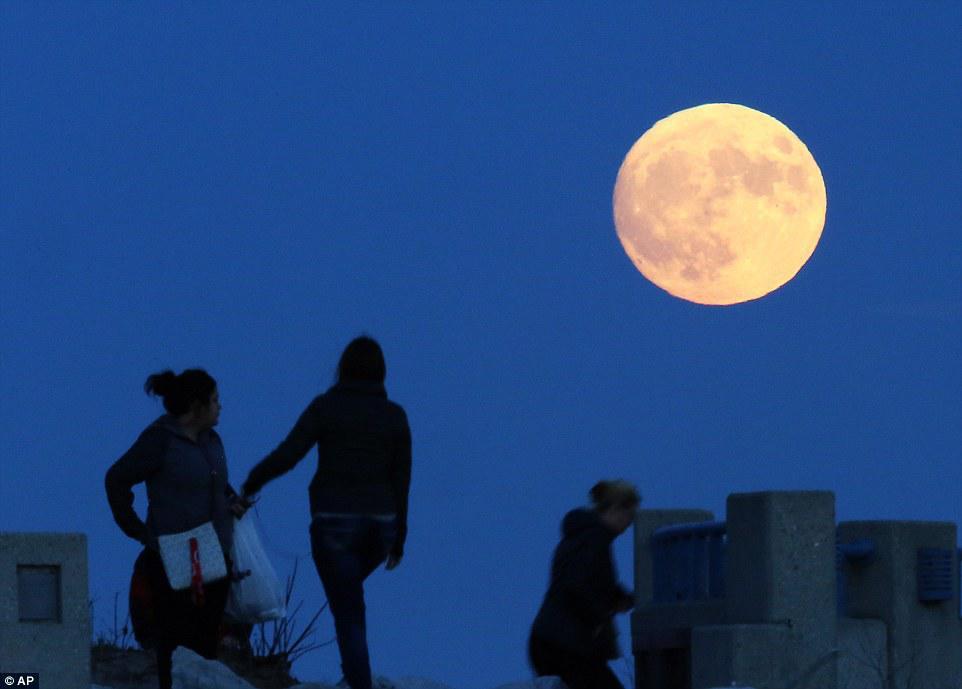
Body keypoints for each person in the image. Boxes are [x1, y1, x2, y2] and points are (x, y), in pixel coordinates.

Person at [241, 336, 412, 689]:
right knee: (349, 600)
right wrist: (398, 540)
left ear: (343, 368)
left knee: (348, 611)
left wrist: (253, 481)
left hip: (334, 523)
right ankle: (355, 675)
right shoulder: (395, 416)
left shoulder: (325, 407)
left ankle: (358, 682)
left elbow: (289, 453)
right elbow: (402, 480)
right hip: (380, 528)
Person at [105, 369, 248, 689]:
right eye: (215, 400)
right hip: (172, 556)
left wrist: (232, 502)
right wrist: (137, 530)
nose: (220, 407)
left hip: (213, 553)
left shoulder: (212, 440)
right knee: (175, 645)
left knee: (207, 644)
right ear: (197, 406)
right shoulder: (161, 439)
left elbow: (214, 483)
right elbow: (117, 478)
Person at [529, 480, 640, 689]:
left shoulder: (582, 536)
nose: (630, 524)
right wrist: (599, 619)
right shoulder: (594, 538)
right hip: (565, 645)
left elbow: (590, 581)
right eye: (630, 516)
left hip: (550, 640)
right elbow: (578, 586)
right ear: (616, 508)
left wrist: (620, 599)